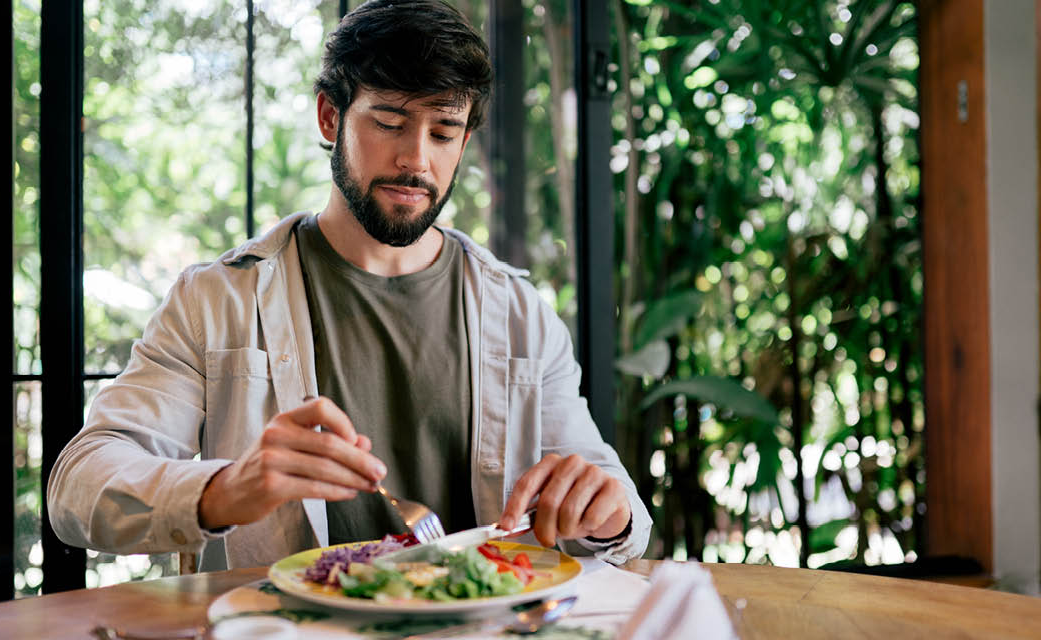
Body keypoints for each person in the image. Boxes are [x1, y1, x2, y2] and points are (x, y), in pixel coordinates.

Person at [48, 0, 652, 571]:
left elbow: (607, 497)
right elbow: (79, 487)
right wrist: (226, 488)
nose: (417, 160)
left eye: (444, 132)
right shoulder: (216, 300)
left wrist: (607, 510)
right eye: (390, 122)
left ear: (464, 141)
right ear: (330, 116)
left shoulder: (522, 313)